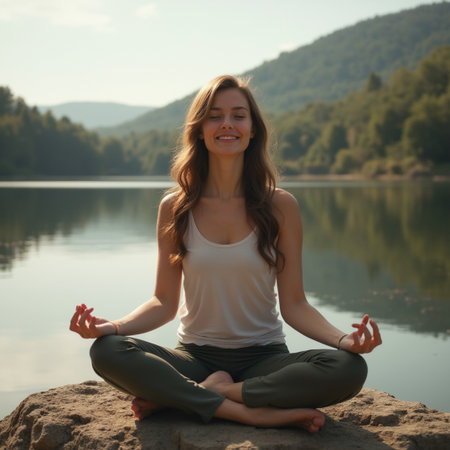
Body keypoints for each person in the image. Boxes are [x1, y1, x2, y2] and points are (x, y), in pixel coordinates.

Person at [70, 75, 382, 434]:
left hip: (264, 358)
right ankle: (247, 411)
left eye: (238, 115)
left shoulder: (280, 206)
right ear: (200, 130)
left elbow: (295, 304)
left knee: (350, 368)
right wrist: (111, 327)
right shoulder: (175, 207)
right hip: (193, 356)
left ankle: (201, 396)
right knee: (107, 351)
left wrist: (344, 340)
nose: (227, 124)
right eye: (215, 116)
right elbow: (164, 301)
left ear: (253, 131)